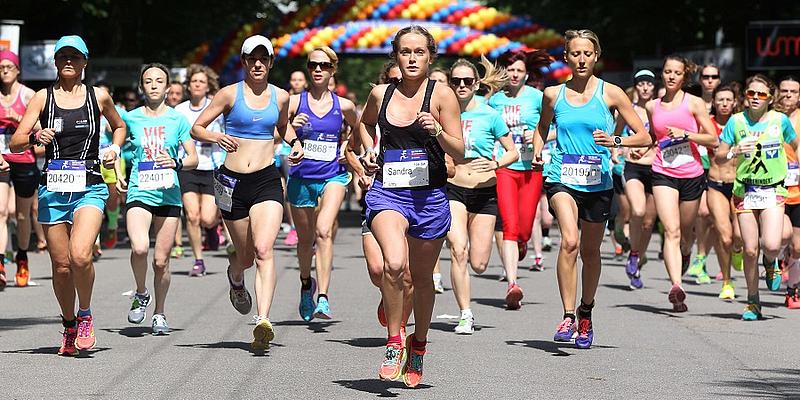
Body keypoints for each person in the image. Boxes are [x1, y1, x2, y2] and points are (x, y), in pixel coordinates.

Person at [533, 29, 653, 349]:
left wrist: (615, 140)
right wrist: (536, 150)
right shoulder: (553, 95)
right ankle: (568, 315)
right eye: (575, 54)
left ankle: (586, 311)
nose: (582, 59)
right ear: (567, 58)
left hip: (597, 180)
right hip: (562, 175)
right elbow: (543, 127)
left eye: (587, 53)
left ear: (596, 56)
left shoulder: (611, 93)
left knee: (589, 251)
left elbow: (644, 136)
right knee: (569, 241)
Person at [358, 26, 463, 387]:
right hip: (389, 192)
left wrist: (437, 131)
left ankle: (418, 345)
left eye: (419, 52)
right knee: (394, 263)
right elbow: (365, 126)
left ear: (430, 56)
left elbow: (460, 152)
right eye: (406, 52)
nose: (413, 58)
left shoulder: (442, 96)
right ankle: (393, 341)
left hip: (430, 198)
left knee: (421, 280)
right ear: (396, 56)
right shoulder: (380, 94)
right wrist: (369, 152)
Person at [10, 35, 125, 355]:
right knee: (61, 266)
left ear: (86, 61)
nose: (69, 61)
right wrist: (35, 134)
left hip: (90, 185)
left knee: (80, 254)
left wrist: (113, 149)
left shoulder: (98, 97)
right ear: (56, 62)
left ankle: (85, 314)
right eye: (63, 57)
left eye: (75, 56)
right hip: (53, 188)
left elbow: (119, 126)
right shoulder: (42, 99)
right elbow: (16, 142)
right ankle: (69, 324)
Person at [192, 35, 303, 351]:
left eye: (263, 58)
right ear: (243, 62)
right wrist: (216, 136)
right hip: (232, 183)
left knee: (265, 249)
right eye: (251, 59)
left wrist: (295, 144)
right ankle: (236, 277)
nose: (257, 64)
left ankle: (262, 319)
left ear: (270, 63)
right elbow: (196, 128)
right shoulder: (228, 94)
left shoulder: (280, 97)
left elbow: (284, 127)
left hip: (266, 180)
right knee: (245, 255)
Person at [121, 63, 198, 334]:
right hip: (139, 190)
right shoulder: (130, 118)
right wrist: (117, 171)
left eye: (159, 81)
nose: (153, 85)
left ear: (168, 87)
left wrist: (175, 161)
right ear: (141, 86)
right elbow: (114, 147)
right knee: (140, 248)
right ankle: (141, 293)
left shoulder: (177, 119)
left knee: (161, 261)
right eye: (148, 81)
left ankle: (159, 313)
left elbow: (193, 157)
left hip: (168, 193)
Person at [716, 74, 799, 320]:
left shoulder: (780, 121)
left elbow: (794, 145)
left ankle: (772, 262)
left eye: (760, 94)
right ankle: (753, 301)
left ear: (769, 98)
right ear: (745, 96)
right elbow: (719, 155)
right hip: (745, 191)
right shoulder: (735, 122)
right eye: (751, 93)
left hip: (773, 189)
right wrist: (733, 151)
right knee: (750, 251)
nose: (755, 98)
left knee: (771, 245)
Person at [446, 56, 517, 334]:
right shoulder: (443, 113)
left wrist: (496, 163)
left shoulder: (490, 115)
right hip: (454, 190)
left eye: (467, 81)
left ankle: (467, 308)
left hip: (486, 191)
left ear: (476, 84)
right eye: (456, 81)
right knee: (458, 250)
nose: (461, 85)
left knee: (479, 263)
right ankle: (465, 313)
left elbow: (512, 151)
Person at [288, 46, 360, 321]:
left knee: (323, 231)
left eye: (323, 65)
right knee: (305, 242)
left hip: (333, 175)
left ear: (332, 70)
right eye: (313, 65)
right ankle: (307, 284)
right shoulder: (295, 102)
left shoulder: (344, 105)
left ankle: (324, 297)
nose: (317, 69)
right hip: (301, 177)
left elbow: (361, 128)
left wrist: (349, 147)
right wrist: (293, 131)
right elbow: (277, 127)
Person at [647, 55, 718, 312]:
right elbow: (653, 140)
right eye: (667, 71)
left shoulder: (694, 103)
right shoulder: (653, 107)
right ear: (662, 74)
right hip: (662, 172)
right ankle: (676, 286)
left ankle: (686, 252)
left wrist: (686, 134)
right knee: (671, 230)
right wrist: (631, 149)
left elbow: (713, 139)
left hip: (691, 173)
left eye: (677, 72)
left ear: (684, 77)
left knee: (685, 233)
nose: (671, 76)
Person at [489, 49, 551, 309]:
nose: (514, 75)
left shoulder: (538, 98)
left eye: (519, 71)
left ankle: (523, 244)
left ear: (527, 75)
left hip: (531, 167)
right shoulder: (493, 101)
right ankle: (512, 284)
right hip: (504, 167)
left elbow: (553, 126)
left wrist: (537, 136)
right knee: (510, 225)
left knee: (526, 226)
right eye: (511, 70)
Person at [175, 64, 225, 276]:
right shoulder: (180, 111)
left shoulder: (215, 108)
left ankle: (214, 227)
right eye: (194, 81)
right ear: (189, 86)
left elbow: (223, 136)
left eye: (201, 82)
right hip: (188, 167)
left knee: (207, 218)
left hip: (211, 166)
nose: (197, 84)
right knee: (193, 216)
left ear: (208, 86)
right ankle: (198, 260)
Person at [615, 69, 658, 289]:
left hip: (657, 168)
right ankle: (633, 253)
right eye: (640, 84)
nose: (644, 87)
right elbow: (617, 134)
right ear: (636, 86)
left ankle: (638, 259)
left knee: (649, 222)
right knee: (638, 211)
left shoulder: (659, 108)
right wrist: (617, 150)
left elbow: (664, 137)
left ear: (653, 86)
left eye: (648, 84)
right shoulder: (628, 109)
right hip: (633, 167)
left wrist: (652, 147)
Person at [0, 50, 38, 289]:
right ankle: (1, 263)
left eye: (8, 67)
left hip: (24, 160)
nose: (4, 71)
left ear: (17, 70)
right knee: (1, 212)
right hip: (1, 161)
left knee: (21, 215)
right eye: (0, 67)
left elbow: (41, 131)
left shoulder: (28, 96)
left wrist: (18, 119)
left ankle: (22, 256)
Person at [687, 64, 723, 282]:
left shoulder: (727, 102)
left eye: (714, 77)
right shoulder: (694, 102)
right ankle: (700, 255)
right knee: (702, 213)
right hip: (699, 162)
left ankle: (712, 256)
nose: (710, 80)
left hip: (721, 165)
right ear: (700, 79)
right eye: (706, 76)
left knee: (716, 218)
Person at [706, 84, 743, 300]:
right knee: (725, 236)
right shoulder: (708, 125)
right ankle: (727, 282)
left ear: (735, 102)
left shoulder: (742, 123)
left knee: (738, 236)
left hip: (738, 184)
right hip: (716, 183)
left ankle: (738, 250)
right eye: (720, 100)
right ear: (714, 102)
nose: (724, 104)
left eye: (729, 100)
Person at [777, 76, 800, 309]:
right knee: (782, 237)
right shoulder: (771, 119)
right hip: (776, 190)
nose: (788, 95)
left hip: (799, 191)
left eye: (793, 91)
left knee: (799, 246)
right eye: (784, 90)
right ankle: (776, 256)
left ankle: (792, 290)